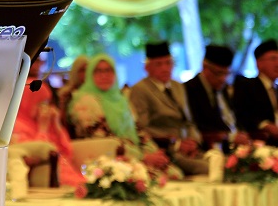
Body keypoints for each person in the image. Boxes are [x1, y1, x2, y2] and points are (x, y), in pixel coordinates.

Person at [68, 54, 177, 178]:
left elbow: (138, 132)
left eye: (109, 70)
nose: (104, 75)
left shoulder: (121, 100)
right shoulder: (85, 101)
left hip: (133, 153)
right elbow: (103, 137)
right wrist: (143, 157)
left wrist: (154, 152)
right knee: (153, 179)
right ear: (90, 75)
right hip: (109, 159)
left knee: (174, 174)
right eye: (98, 71)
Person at [129, 42, 208, 176]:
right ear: (147, 68)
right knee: (207, 169)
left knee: (222, 164)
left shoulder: (178, 86)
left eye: (168, 63)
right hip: (165, 149)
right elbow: (142, 127)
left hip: (187, 147)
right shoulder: (140, 90)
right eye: (158, 64)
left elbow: (188, 121)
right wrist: (176, 144)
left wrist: (194, 142)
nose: (165, 68)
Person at [12, 54, 84, 186]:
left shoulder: (42, 121)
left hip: (66, 170)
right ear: (27, 101)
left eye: (46, 102)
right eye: (40, 102)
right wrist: (42, 129)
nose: (44, 107)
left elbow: (68, 151)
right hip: (50, 174)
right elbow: (39, 153)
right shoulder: (17, 125)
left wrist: (56, 125)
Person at [184, 45, 247, 150]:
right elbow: (196, 127)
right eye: (218, 73)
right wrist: (229, 137)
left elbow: (231, 118)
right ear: (204, 67)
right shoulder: (189, 89)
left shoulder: (223, 89)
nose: (223, 79)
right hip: (213, 149)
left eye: (226, 74)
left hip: (236, 146)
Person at [233, 39, 278, 144]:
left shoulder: (276, 89)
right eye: (273, 59)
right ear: (259, 63)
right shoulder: (246, 85)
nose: (277, 63)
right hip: (262, 142)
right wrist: (265, 125)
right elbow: (241, 114)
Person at [58, 54, 88, 137]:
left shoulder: (95, 92)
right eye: (82, 70)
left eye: (88, 70)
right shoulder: (67, 94)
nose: (85, 74)